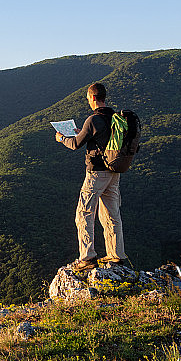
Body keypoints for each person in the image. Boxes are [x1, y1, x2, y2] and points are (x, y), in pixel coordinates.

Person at [54, 83, 128, 271]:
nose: (88, 101)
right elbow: (100, 139)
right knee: (112, 214)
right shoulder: (114, 117)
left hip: (96, 173)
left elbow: (75, 145)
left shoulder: (93, 119)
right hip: (114, 171)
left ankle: (87, 257)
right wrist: (83, 133)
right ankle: (116, 255)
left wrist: (62, 138)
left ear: (93, 98)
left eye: (88, 98)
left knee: (84, 213)